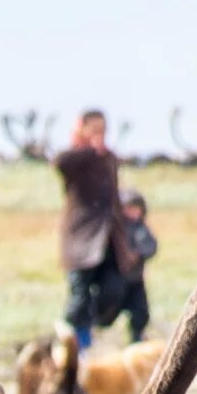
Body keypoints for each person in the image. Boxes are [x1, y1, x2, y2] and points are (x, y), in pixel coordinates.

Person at [52, 109, 134, 349]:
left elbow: (114, 201)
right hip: (81, 241)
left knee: (115, 289)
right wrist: (87, 148)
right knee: (79, 296)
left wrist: (126, 237)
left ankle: (86, 329)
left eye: (103, 130)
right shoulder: (76, 158)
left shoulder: (108, 158)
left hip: (109, 239)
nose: (100, 136)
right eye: (94, 130)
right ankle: (75, 342)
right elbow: (60, 163)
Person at [115, 189, 157, 345]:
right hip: (118, 279)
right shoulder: (118, 229)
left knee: (140, 311)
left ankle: (137, 337)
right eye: (128, 208)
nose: (132, 213)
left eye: (135, 209)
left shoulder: (141, 229)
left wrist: (137, 254)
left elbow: (151, 246)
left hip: (136, 280)